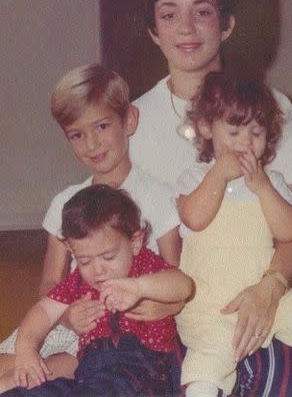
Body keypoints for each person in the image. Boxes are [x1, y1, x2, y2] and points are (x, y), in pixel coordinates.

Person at [130, 0, 292, 395]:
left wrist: (270, 289)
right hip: (168, 301)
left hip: (244, 295)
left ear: (228, 23)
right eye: (169, 13)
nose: (187, 28)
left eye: (203, 11)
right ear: (153, 30)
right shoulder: (132, 119)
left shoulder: (273, 109)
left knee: (288, 376)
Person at [174, 71, 292, 397]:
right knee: (209, 356)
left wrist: (263, 188)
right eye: (233, 132)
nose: (245, 143)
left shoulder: (271, 181)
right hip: (210, 304)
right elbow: (193, 218)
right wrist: (218, 175)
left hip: (266, 298)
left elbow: (290, 229)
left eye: (256, 133)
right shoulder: (195, 177)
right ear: (206, 128)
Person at [0, 64, 182, 392]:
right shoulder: (66, 202)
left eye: (101, 126)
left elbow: (179, 277)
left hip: (118, 334)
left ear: (129, 120)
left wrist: (161, 306)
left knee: (19, 381)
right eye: (77, 135)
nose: (92, 144)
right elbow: (50, 284)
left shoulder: (159, 198)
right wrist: (69, 316)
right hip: (66, 316)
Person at [0, 184, 194, 396]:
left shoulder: (144, 266)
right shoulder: (79, 282)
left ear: (135, 243)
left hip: (144, 370)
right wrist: (26, 348)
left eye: (108, 257)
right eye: (84, 260)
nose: (98, 270)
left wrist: (139, 287)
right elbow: (44, 311)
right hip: (89, 372)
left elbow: (183, 285)